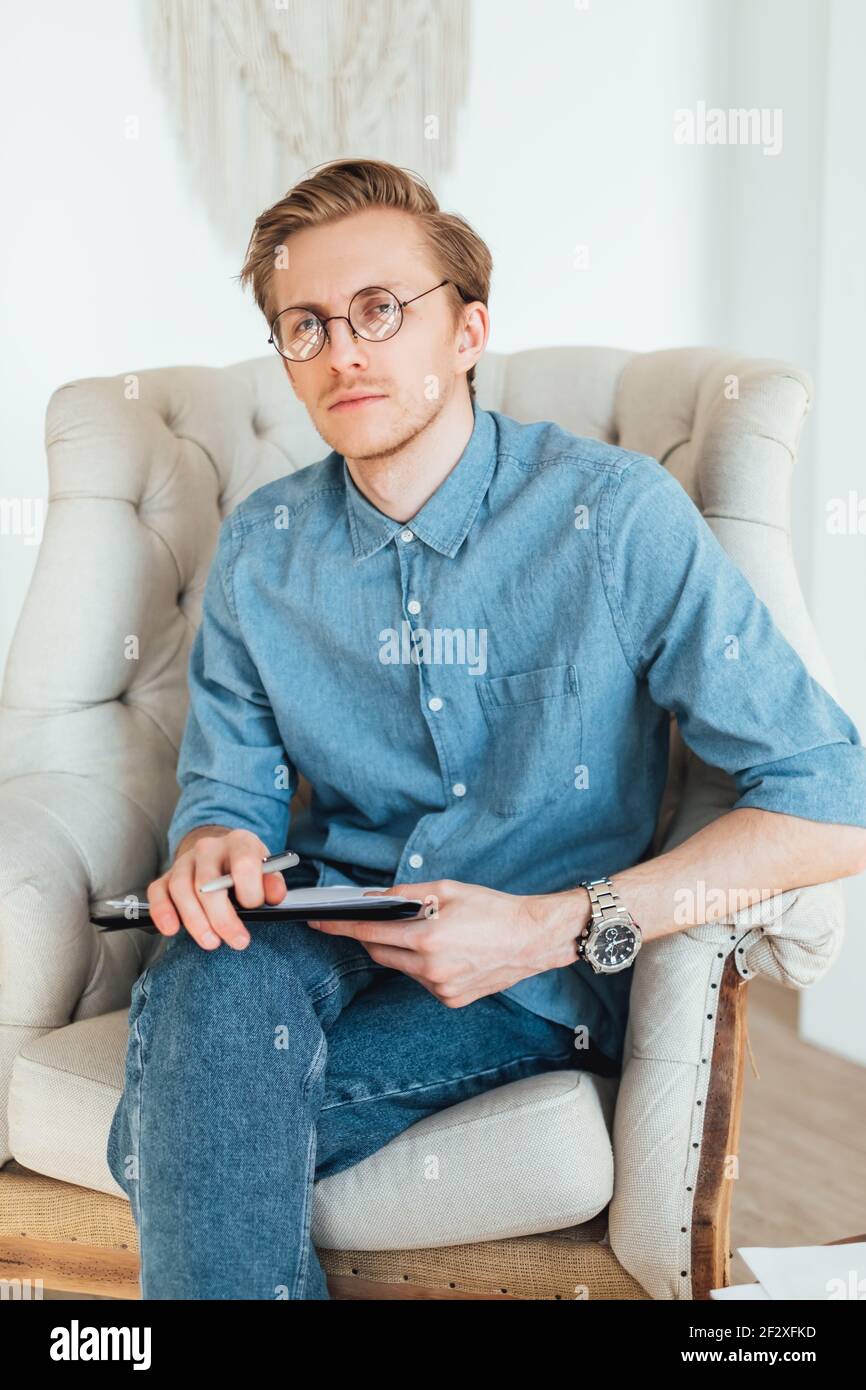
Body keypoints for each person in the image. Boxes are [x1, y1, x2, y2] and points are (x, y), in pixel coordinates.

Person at [107, 157, 866, 1300]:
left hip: (528, 981)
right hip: (324, 922)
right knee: (212, 980)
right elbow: (232, 794)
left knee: (174, 1132)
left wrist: (555, 926)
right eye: (303, 326)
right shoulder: (261, 551)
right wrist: (212, 843)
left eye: (377, 310)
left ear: (465, 331)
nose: (343, 351)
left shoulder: (611, 518)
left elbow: (830, 799)